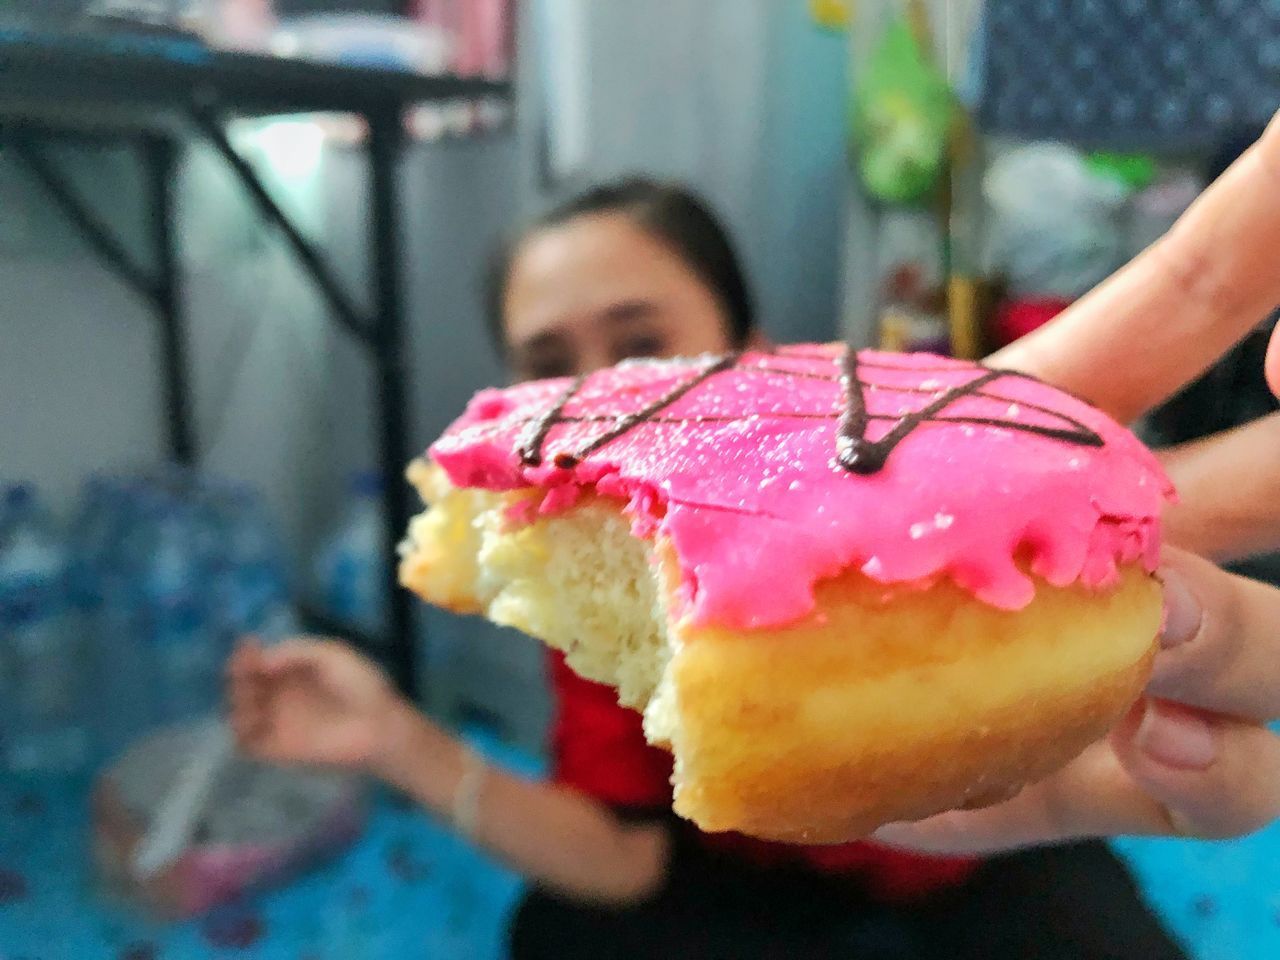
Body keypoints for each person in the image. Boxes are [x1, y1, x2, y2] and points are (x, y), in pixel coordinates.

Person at [228, 178, 1194, 958]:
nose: (601, 392)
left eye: (642, 343)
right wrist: (393, 737)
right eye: (548, 360)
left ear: (754, 354)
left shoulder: (928, 525)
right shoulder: (606, 567)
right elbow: (622, 855)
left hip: (985, 847)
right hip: (745, 870)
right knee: (559, 937)